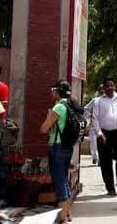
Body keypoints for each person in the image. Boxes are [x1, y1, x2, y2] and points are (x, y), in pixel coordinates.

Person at [39, 81, 75, 223]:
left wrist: (49, 116)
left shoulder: (59, 107)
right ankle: (67, 213)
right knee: (64, 180)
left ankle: (62, 218)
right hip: (68, 147)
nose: (51, 92)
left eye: (53, 89)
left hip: (57, 147)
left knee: (59, 182)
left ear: (58, 91)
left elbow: (43, 128)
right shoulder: (71, 105)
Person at [90, 77, 117, 196]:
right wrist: (99, 133)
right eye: (107, 86)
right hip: (103, 134)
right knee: (105, 161)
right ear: (103, 88)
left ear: (114, 86)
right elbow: (95, 119)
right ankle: (110, 187)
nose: (110, 88)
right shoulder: (98, 101)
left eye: (112, 85)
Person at [84, 85, 104, 165]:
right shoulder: (95, 101)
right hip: (94, 126)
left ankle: (100, 159)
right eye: (102, 90)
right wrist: (89, 116)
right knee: (93, 143)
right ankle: (95, 157)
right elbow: (86, 109)